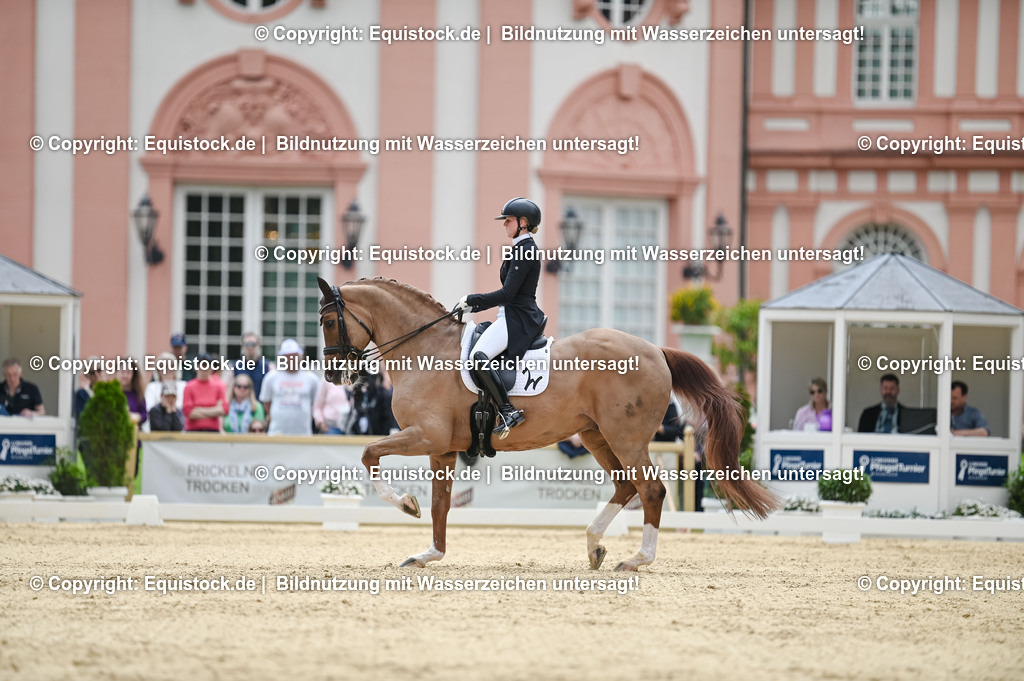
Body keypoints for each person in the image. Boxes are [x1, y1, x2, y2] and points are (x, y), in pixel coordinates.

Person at [454, 197, 545, 437]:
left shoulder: (526, 251)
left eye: (509, 220)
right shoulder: (519, 248)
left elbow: (507, 293)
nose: (505, 224)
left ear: (523, 223)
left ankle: (507, 411)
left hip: (519, 317)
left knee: (478, 356)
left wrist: (473, 300)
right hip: (510, 314)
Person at [259, 339, 321, 436]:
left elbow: (316, 402)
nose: (291, 359)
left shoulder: (311, 378)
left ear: (300, 356)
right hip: (277, 432)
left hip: (303, 433)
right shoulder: (271, 377)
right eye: (287, 356)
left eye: (294, 356)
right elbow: (266, 402)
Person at [182, 353, 226, 432]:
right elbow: (188, 412)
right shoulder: (189, 386)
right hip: (193, 430)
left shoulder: (219, 385)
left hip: (213, 430)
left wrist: (197, 409)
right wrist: (213, 411)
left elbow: (223, 410)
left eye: (207, 365)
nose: (204, 368)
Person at [143, 352, 185, 432]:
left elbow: (183, 406)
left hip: (179, 428)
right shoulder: (152, 387)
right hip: (156, 428)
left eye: (171, 366)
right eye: (163, 367)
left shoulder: (183, 386)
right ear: (158, 371)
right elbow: (149, 407)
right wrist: (166, 405)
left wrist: (169, 406)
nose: (167, 370)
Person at [233, 331, 269, 399]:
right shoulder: (235, 367)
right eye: (247, 344)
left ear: (259, 346)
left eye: (253, 344)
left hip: (261, 407)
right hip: (241, 407)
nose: (250, 347)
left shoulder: (267, 366)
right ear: (242, 346)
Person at [117, 360, 147, 428]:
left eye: (128, 373)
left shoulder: (138, 394)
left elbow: (144, 415)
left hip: (134, 434)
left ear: (133, 374)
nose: (125, 376)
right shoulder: (113, 394)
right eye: (123, 372)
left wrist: (135, 417)